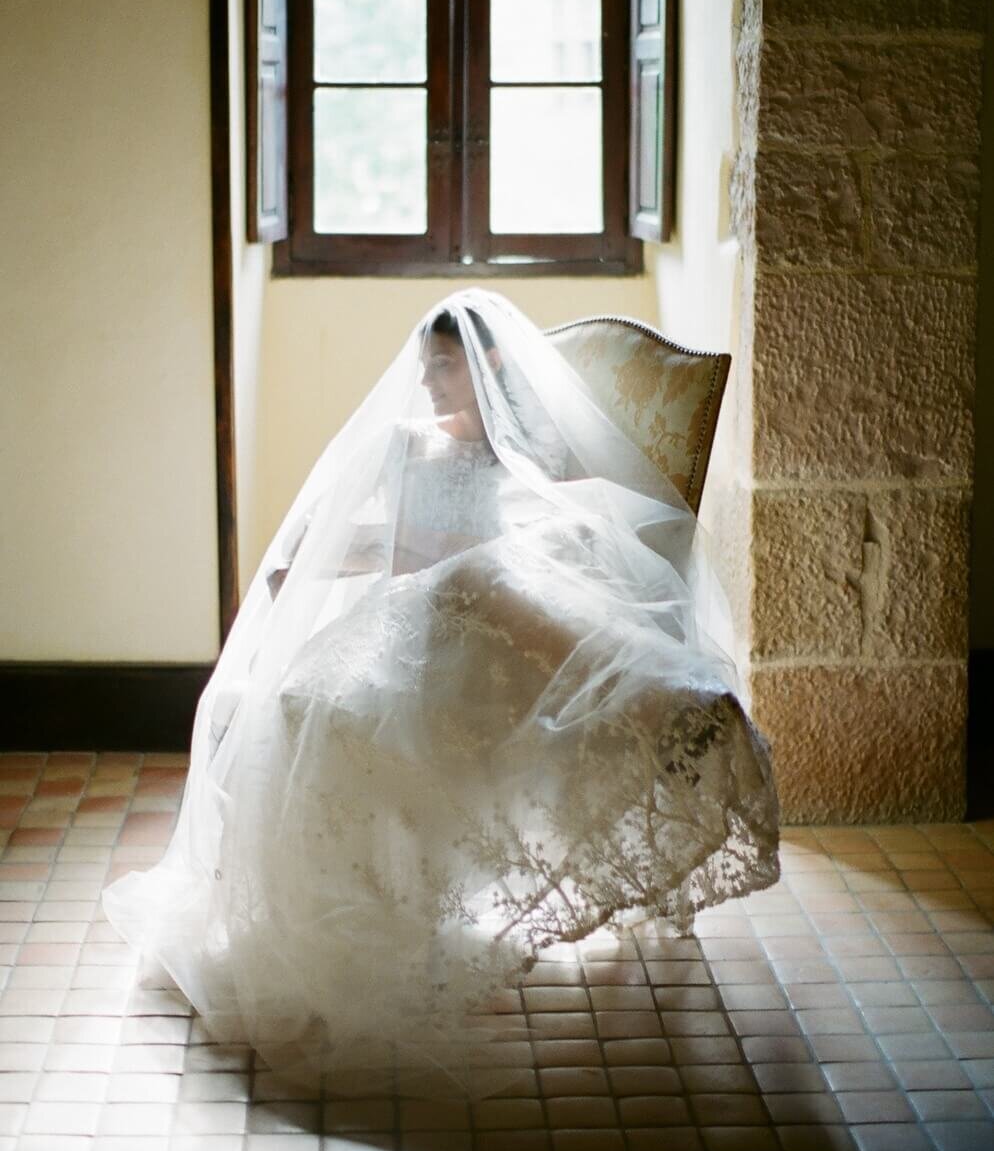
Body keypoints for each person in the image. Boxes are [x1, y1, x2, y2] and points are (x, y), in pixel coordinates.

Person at [103, 290, 779, 1095]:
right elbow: (365, 546)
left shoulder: (523, 455)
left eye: (444, 365)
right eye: (424, 364)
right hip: (408, 631)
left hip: (486, 632)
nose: (427, 379)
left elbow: (554, 546)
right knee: (368, 661)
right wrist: (314, 561)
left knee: (494, 584)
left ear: (487, 366)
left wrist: (449, 556)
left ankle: (667, 704)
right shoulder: (400, 446)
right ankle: (374, 913)